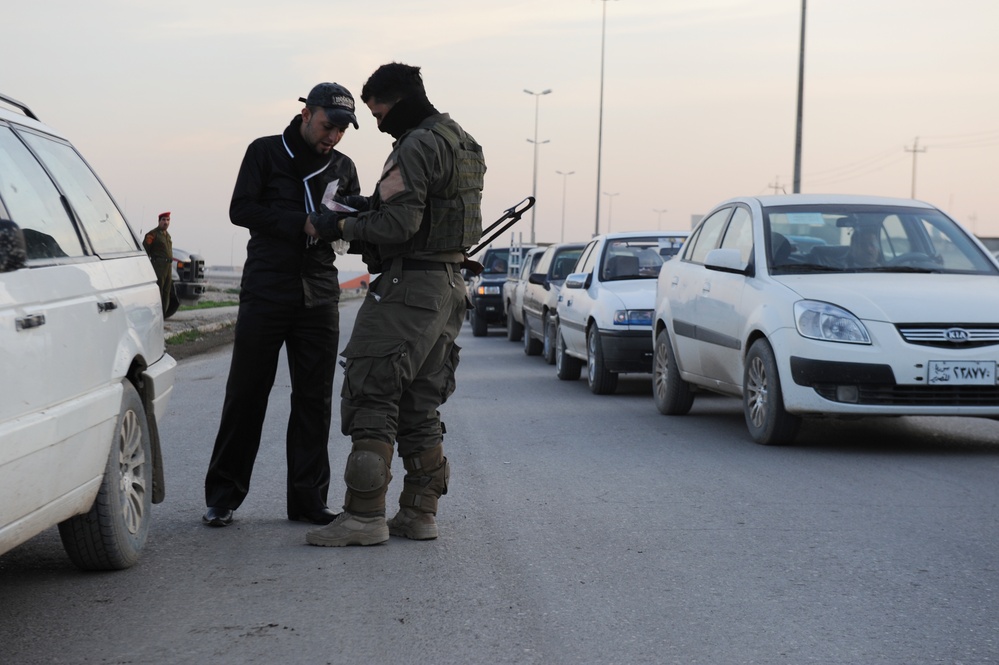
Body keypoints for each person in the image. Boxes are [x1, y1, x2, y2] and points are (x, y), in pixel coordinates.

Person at [304, 62, 486, 547]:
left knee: (372, 391)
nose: (379, 123)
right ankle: (419, 514)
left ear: (399, 101)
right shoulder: (462, 141)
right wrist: (369, 207)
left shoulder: (416, 145)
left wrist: (337, 225)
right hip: (448, 288)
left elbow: (399, 227)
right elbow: (427, 213)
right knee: (420, 403)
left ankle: (364, 517)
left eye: (379, 112)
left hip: (410, 289)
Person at [201, 83, 361, 528]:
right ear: (307, 113)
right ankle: (223, 496)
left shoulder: (343, 166)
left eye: (343, 130)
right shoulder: (265, 152)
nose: (334, 137)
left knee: (314, 401)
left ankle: (308, 501)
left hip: (320, 293)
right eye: (329, 125)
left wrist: (355, 220)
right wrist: (301, 222)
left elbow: (351, 226)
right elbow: (241, 209)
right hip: (267, 289)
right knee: (246, 395)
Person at [144, 212, 172, 312]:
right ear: (159, 221)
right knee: (158, 291)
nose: (166, 222)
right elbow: (145, 250)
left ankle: (163, 316)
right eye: (164, 220)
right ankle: (156, 315)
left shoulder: (167, 235)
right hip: (158, 267)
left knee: (166, 292)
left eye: (168, 220)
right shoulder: (153, 234)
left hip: (168, 267)